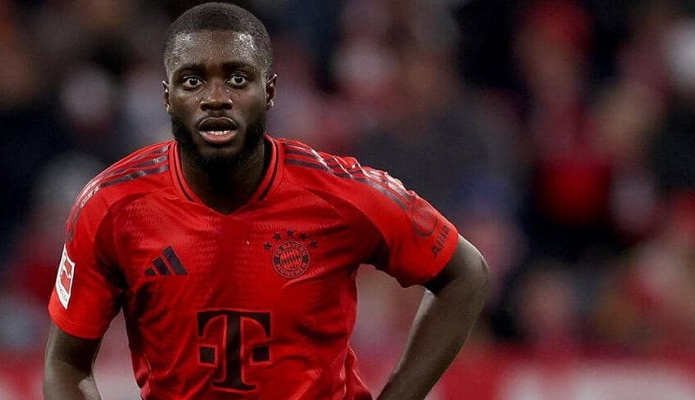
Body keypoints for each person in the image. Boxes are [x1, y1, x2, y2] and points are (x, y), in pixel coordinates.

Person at [43, 3, 489, 399]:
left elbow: (465, 273)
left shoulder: (342, 193)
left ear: (270, 92)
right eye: (193, 81)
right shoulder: (111, 206)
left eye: (237, 79)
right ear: (167, 98)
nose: (216, 98)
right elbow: (65, 362)